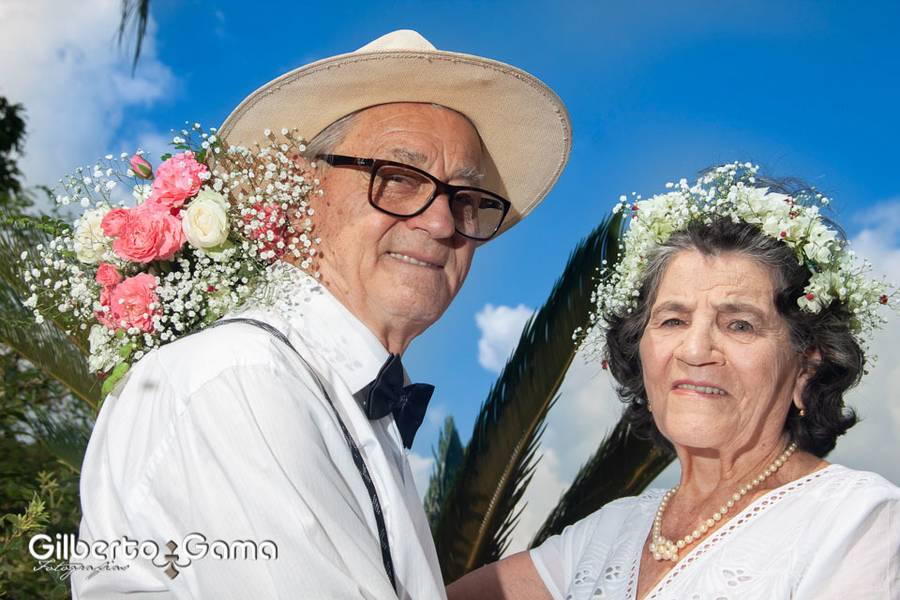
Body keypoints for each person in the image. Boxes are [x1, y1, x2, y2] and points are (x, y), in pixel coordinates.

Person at [72, 30, 570, 599]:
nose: (440, 224)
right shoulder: (242, 377)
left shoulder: (326, 389)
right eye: (400, 179)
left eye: (465, 199)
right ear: (303, 191)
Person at [447, 164, 900, 600]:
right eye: (672, 320)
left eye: (740, 325)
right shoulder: (608, 532)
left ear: (808, 366)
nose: (696, 351)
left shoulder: (859, 520)